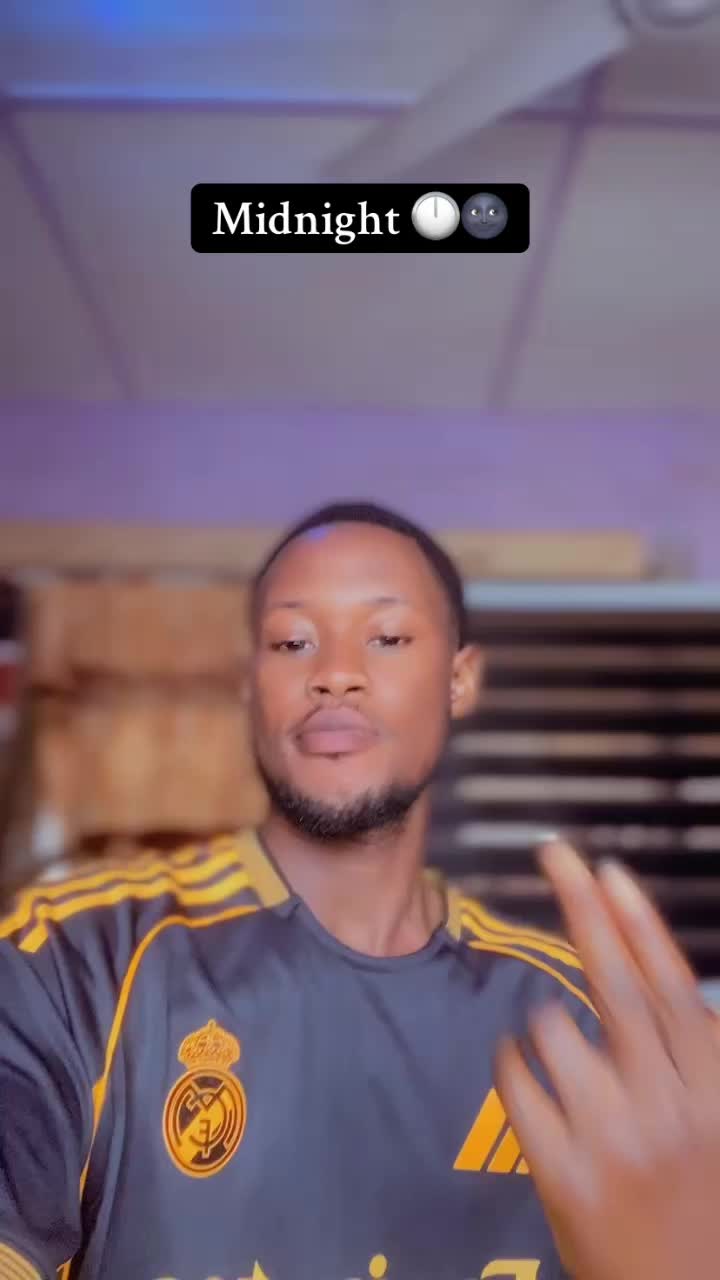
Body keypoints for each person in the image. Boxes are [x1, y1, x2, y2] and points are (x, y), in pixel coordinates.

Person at [0, 502, 717, 1280]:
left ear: (459, 680)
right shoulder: (72, 966)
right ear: (250, 685)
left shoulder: (580, 1021)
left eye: (387, 637)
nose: (335, 672)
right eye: (292, 641)